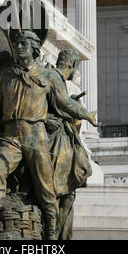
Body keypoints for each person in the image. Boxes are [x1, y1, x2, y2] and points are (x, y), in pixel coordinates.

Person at [0, 30, 99, 240]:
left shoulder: (48, 76)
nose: (18, 48)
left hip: (35, 134)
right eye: (17, 44)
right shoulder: (7, 75)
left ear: (34, 49)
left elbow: (65, 103)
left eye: (23, 44)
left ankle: (50, 232)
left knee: (45, 184)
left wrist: (87, 115)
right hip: (10, 134)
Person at [46, 48, 95, 239]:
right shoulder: (53, 76)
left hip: (61, 137)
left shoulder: (58, 79)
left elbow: (63, 103)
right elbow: (63, 103)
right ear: (73, 66)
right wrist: (85, 114)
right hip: (53, 139)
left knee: (69, 194)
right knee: (64, 193)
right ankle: (53, 235)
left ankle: (57, 234)